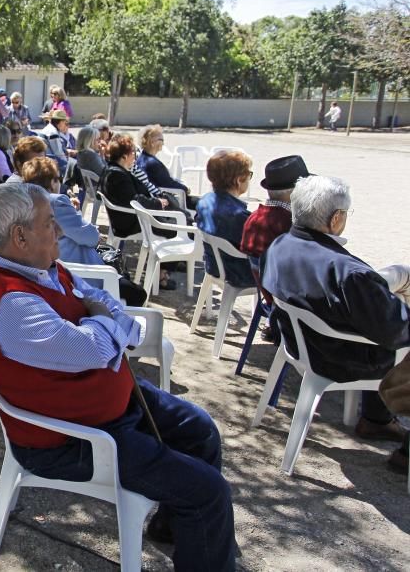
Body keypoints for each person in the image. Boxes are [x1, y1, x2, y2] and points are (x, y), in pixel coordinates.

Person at [0, 183, 236, 571]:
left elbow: (111, 310)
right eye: (50, 223)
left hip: (111, 408)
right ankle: (199, 532)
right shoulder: (11, 303)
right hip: (71, 439)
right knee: (209, 491)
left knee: (201, 431)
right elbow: (92, 348)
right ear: (20, 236)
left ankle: (178, 530)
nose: (59, 231)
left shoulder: (45, 271)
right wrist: (103, 324)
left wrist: (103, 324)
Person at [263, 175, 410, 471]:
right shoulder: (348, 273)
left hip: (301, 341)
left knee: (397, 282)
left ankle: (377, 418)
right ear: (337, 218)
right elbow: (396, 331)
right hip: (338, 355)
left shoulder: (280, 244)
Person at [22, 157, 147, 306]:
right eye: (58, 178)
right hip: (76, 273)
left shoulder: (24, 202)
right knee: (138, 294)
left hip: (47, 271)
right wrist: (81, 218)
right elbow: (90, 238)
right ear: (51, 182)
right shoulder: (55, 201)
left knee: (124, 279)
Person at [101, 135, 177, 288]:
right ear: (124, 156)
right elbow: (135, 200)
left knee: (176, 221)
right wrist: (157, 202)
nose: (134, 157)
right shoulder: (117, 174)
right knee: (174, 228)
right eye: (133, 154)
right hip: (131, 222)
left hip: (129, 217)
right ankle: (161, 275)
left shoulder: (113, 169)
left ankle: (166, 268)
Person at [195, 151, 254, 290]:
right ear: (239, 180)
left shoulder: (205, 201)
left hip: (213, 265)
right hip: (237, 273)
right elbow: (254, 250)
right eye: (249, 175)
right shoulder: (238, 215)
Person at [135, 125, 195, 209]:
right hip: (165, 201)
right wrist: (185, 188)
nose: (163, 143)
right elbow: (168, 184)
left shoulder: (142, 158)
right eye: (161, 140)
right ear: (152, 142)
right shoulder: (152, 163)